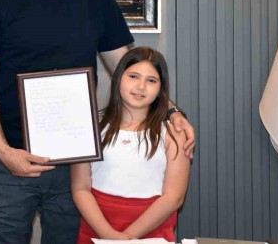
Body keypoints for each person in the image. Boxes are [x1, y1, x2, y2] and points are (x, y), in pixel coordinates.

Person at [0, 0, 194, 244]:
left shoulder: (96, 1)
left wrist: (171, 111)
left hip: (77, 166)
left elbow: (129, 69)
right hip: (8, 163)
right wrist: (2, 151)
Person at [71, 47, 189, 243]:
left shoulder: (174, 133)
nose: (141, 86)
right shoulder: (91, 126)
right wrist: (108, 235)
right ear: (118, 77)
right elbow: (80, 188)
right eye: (133, 76)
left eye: (151, 80)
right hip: (97, 228)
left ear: (161, 89)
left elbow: (174, 197)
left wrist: (128, 237)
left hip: (152, 229)